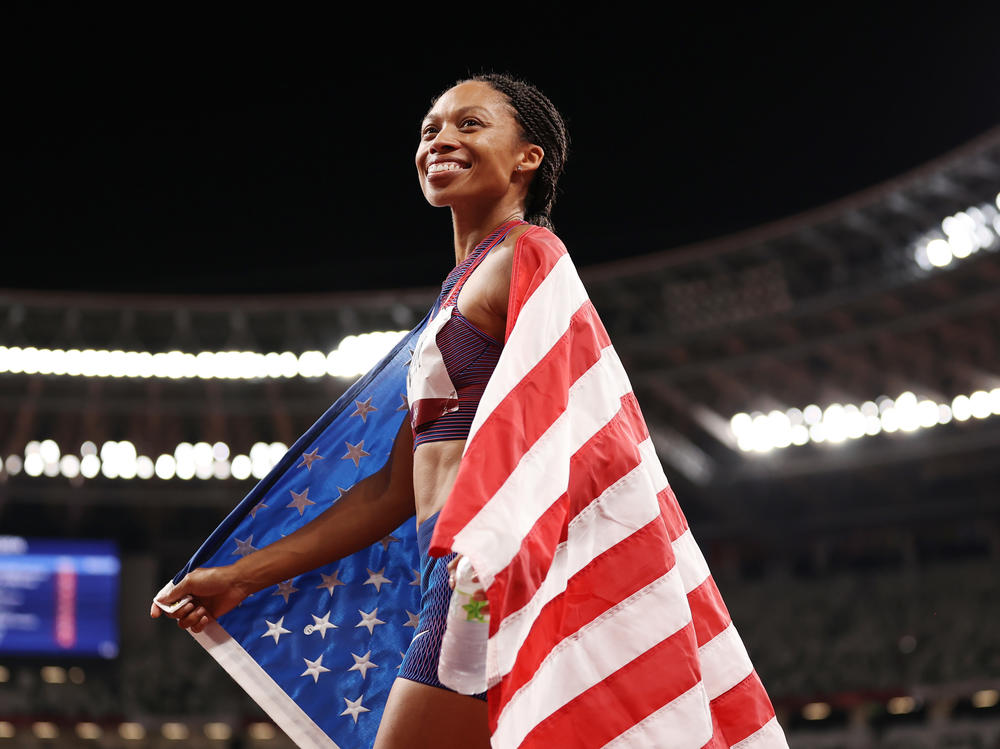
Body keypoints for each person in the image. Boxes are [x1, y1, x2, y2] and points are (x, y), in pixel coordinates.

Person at [151, 72, 569, 749]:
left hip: (490, 574)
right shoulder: (456, 295)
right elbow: (395, 488)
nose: (442, 138)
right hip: (453, 572)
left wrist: (506, 566)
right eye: (431, 128)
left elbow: (569, 428)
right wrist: (239, 576)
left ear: (529, 158)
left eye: (470, 124)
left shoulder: (528, 255)